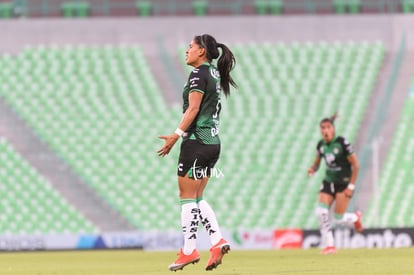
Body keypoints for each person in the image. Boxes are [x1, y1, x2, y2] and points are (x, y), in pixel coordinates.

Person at [157, 34, 237, 271]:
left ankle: (189, 250)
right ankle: (216, 241)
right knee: (198, 197)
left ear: (202, 51)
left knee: (186, 197)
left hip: (196, 141)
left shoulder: (198, 74)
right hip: (212, 143)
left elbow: (193, 108)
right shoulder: (213, 73)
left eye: (190, 46)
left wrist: (176, 135)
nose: (187, 50)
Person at [307, 112, 363, 255]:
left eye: (328, 127)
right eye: (322, 128)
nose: (325, 131)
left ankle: (356, 217)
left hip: (343, 183)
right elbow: (317, 163)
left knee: (338, 219)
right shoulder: (321, 146)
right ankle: (330, 246)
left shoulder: (342, 143)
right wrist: (313, 169)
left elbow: (356, 165)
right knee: (321, 212)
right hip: (328, 181)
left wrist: (351, 186)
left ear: (333, 128)